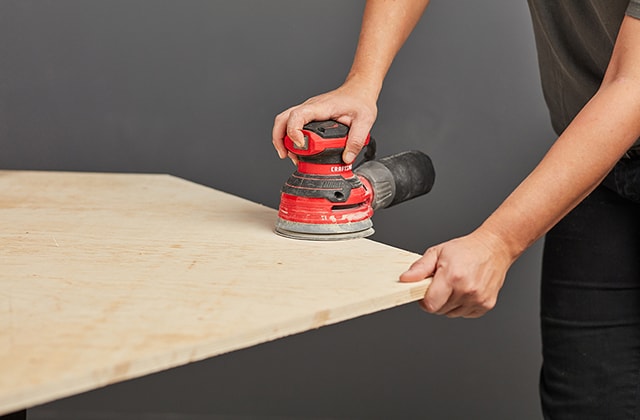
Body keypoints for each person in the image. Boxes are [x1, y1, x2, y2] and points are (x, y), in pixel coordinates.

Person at [272, 0, 640, 417]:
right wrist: (361, 82)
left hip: (618, 116)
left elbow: (633, 86)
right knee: (586, 402)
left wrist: (499, 241)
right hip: (599, 164)